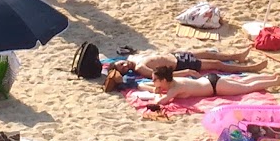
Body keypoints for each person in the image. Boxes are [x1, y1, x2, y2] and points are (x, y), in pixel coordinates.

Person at [140, 65, 280, 110]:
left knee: (247, 87)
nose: (152, 82)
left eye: (154, 80)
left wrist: (156, 93)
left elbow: (162, 102)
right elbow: (144, 85)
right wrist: (150, 88)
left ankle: (275, 81)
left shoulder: (174, 89)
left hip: (214, 86)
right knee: (244, 81)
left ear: (163, 80)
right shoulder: (173, 82)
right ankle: (271, 77)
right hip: (210, 79)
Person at [114, 48, 265, 78]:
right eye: (123, 68)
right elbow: (162, 75)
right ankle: (251, 68)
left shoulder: (132, 58)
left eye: (122, 64)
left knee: (208, 52)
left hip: (175, 54)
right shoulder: (140, 68)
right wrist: (185, 72)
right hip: (179, 63)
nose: (125, 65)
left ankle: (237, 56)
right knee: (216, 64)